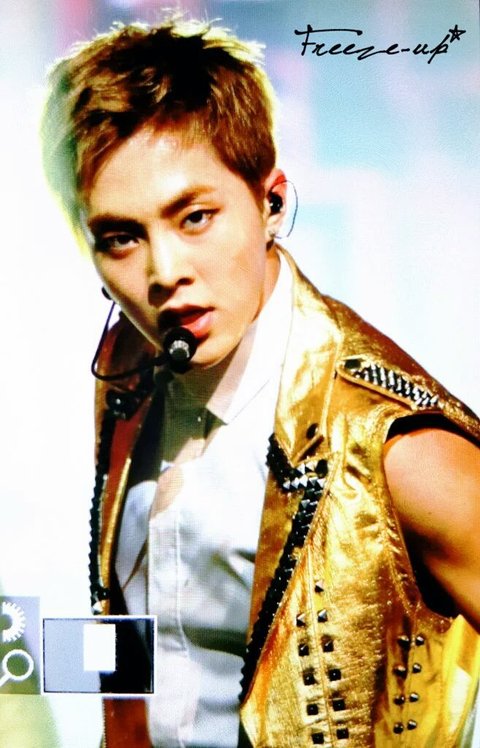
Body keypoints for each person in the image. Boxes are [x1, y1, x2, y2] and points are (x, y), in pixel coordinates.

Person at [41, 17, 480, 748]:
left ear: (271, 202)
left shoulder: (399, 447)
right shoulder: (127, 369)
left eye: (195, 217)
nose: (163, 272)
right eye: (122, 237)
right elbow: (145, 638)